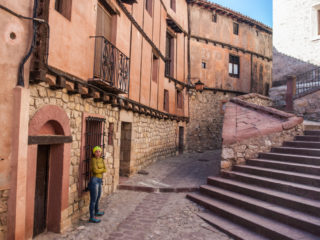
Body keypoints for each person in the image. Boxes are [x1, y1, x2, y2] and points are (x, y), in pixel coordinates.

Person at [88, 146, 106, 223]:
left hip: (99, 179)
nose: (98, 153)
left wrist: (100, 170)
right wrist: (101, 170)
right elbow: (95, 170)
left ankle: (96, 211)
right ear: (94, 153)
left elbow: (105, 169)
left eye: (99, 151)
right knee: (93, 199)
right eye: (96, 151)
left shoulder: (101, 159)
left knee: (98, 197)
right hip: (94, 180)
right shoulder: (93, 160)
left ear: (101, 152)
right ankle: (92, 217)